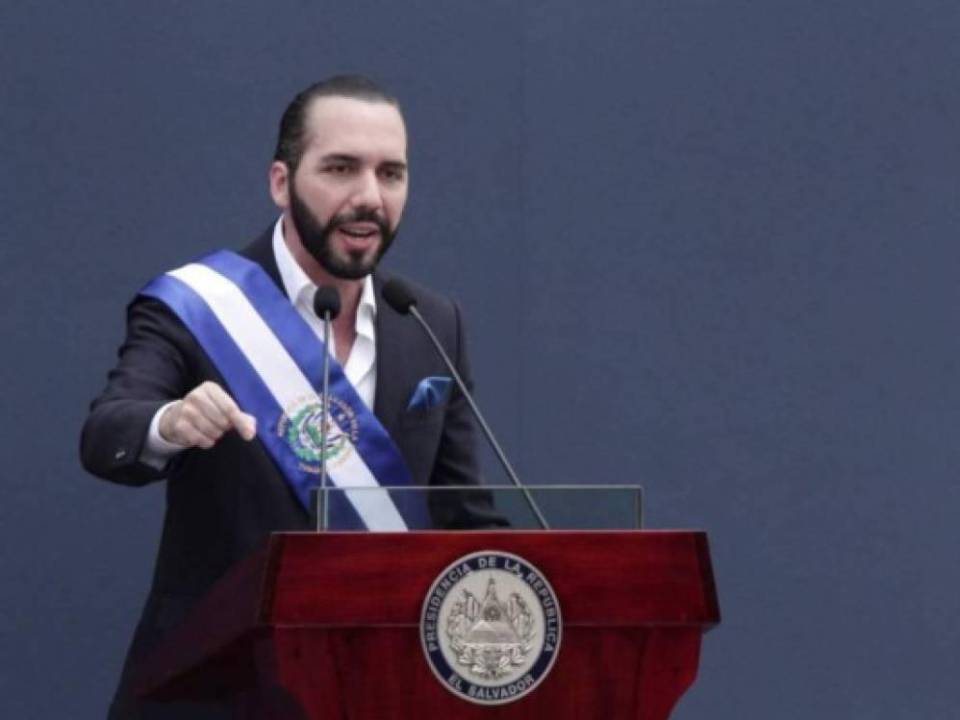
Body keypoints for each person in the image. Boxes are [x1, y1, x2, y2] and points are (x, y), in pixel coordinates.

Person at [80, 75, 503, 719]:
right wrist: (171, 421)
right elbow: (109, 431)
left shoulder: (430, 322)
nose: (369, 197)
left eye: (391, 173)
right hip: (218, 690)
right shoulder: (198, 306)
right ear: (281, 182)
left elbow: (465, 514)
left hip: (379, 691)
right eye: (340, 168)